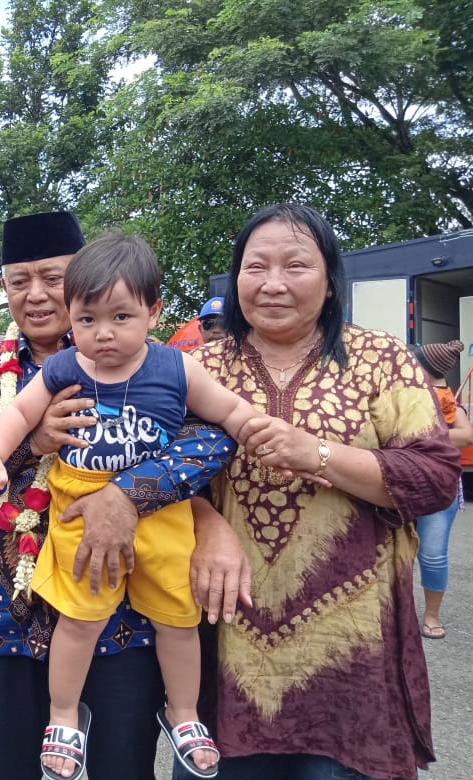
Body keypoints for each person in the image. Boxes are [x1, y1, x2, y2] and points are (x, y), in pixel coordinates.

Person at [0, 211, 251, 780]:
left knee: (121, 767)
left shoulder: (150, 364)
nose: (37, 294)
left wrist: (126, 495)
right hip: (8, 614)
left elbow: (209, 439)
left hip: (121, 619)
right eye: (18, 281)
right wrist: (31, 444)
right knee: (4, 768)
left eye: (52, 276)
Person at [179, 203, 461, 780]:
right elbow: (158, 473)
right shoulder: (197, 368)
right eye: (255, 267)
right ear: (236, 281)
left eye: (297, 266)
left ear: (331, 282)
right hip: (230, 639)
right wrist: (205, 521)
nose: (274, 284)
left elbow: (435, 476)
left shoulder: (382, 360)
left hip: (351, 647)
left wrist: (321, 455)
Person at [411, 340, 473, 639]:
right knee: (391, 553)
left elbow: (466, 435)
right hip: (399, 485)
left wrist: (426, 434)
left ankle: (431, 615)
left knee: (433, 554)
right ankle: (392, 613)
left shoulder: (450, 402)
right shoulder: (401, 395)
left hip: (439, 488)